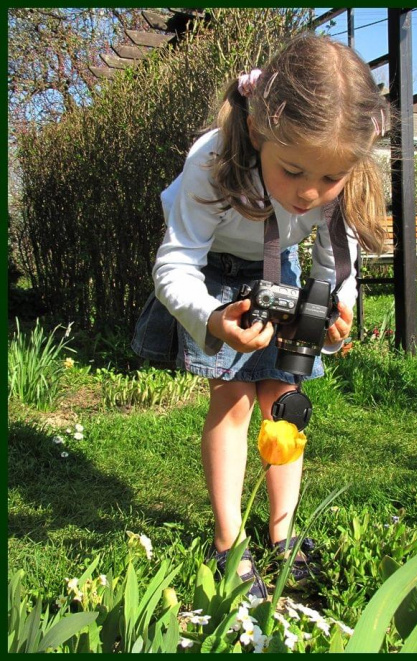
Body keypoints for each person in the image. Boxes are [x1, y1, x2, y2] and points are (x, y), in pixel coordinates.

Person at [133, 32, 388, 598]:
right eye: (293, 171)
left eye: (329, 178)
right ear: (257, 130)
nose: (309, 193)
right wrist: (210, 317)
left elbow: (336, 264)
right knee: (233, 401)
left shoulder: (333, 178)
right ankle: (228, 544)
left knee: (285, 401)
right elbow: (175, 263)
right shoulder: (214, 159)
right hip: (217, 274)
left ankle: (282, 536)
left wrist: (337, 308)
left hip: (284, 273)